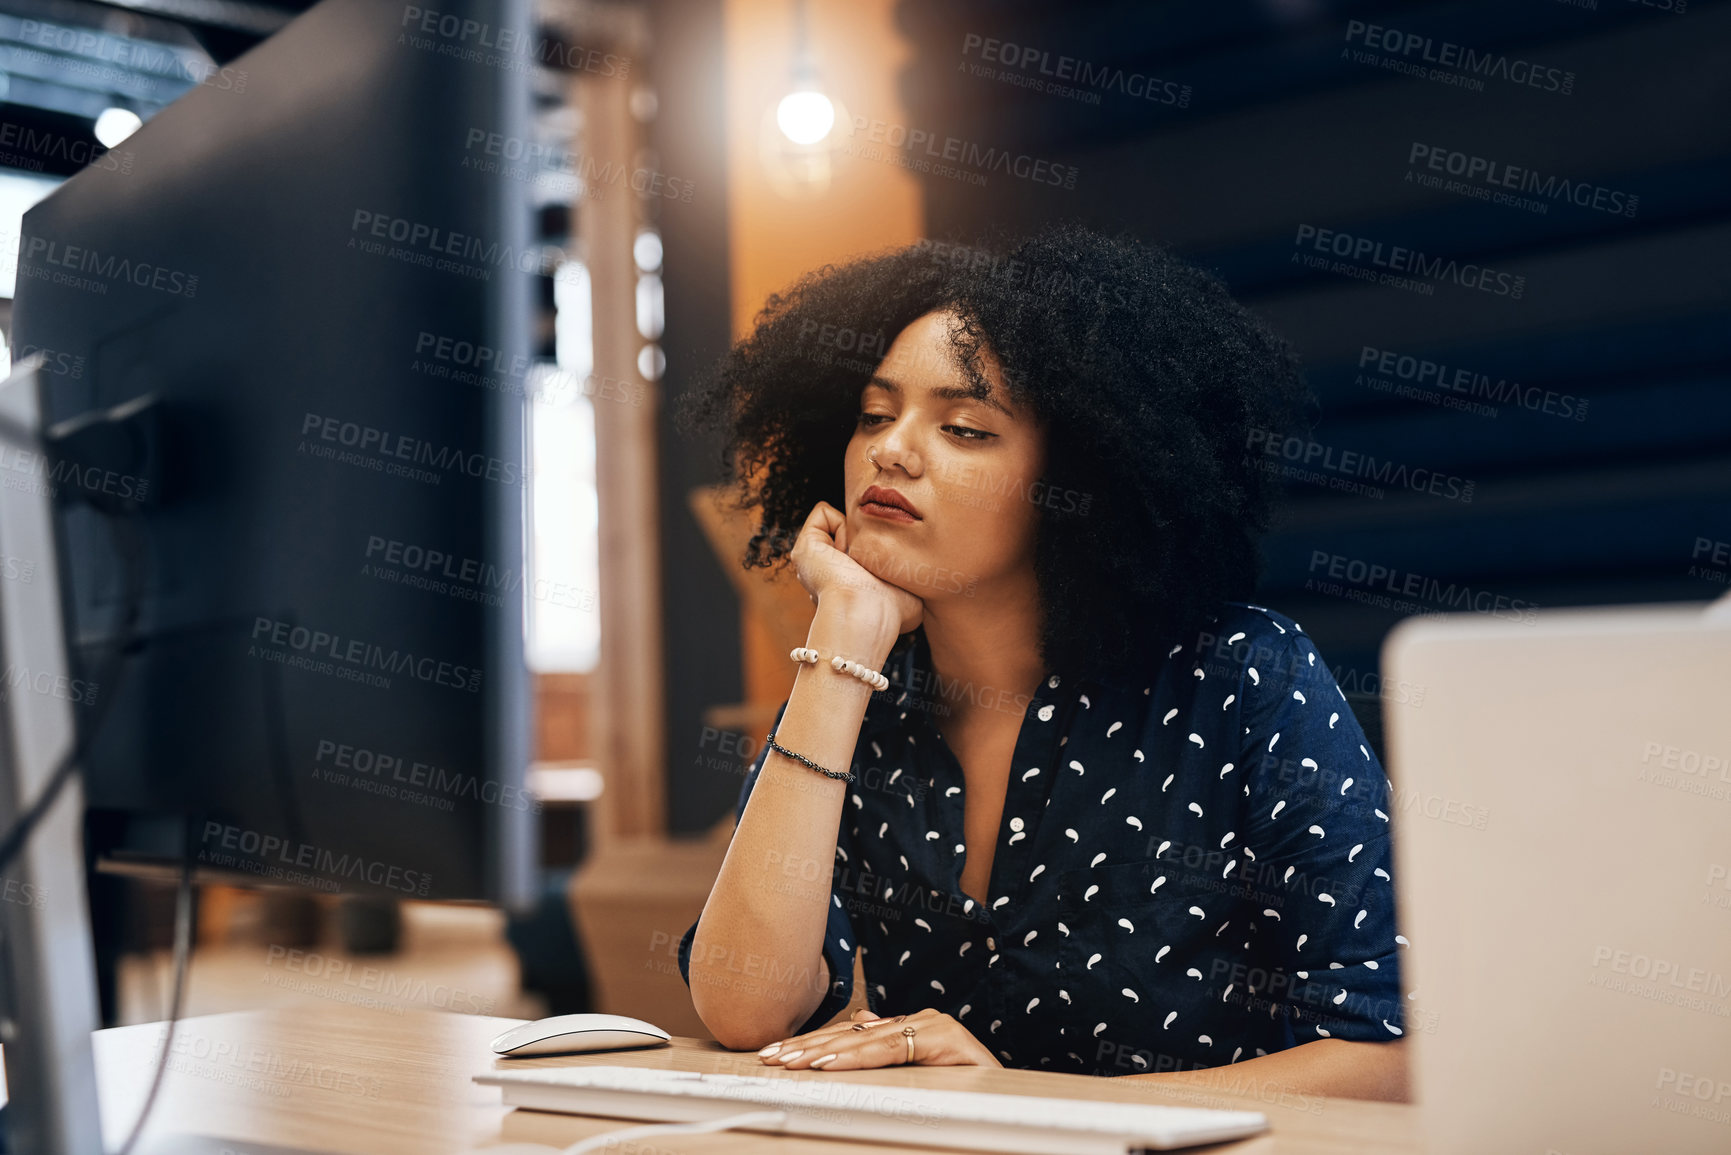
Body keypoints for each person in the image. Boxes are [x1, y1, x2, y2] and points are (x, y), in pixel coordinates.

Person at [671, 223, 1408, 1101]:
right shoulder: (859, 689)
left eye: (964, 428)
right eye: (873, 414)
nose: (890, 448)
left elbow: (1391, 1053)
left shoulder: (1244, 676)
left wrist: (1034, 1102)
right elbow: (745, 1009)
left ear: (1079, 481)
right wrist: (839, 645)